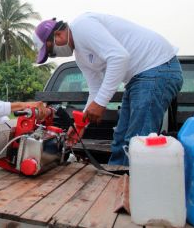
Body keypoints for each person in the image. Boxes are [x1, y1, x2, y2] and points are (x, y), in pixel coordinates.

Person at [33, 13, 183, 165]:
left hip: (158, 68)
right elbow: (95, 89)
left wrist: (100, 103)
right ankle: (115, 180)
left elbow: (119, 57)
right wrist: (80, 125)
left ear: (58, 34)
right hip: (139, 78)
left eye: (51, 52)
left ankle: (131, 185)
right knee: (120, 139)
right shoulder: (81, 56)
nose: (54, 55)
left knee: (137, 140)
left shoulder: (82, 26)